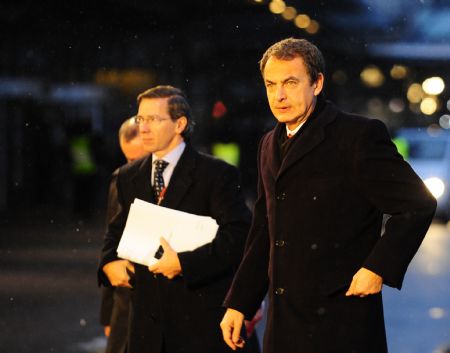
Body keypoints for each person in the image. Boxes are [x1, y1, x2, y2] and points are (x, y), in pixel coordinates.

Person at [220, 38, 437, 353]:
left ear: (317, 83)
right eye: (271, 84)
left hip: (341, 321)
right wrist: (240, 302)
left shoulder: (358, 136)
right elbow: (264, 231)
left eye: (291, 83)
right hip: (284, 325)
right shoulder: (268, 143)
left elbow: (417, 204)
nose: (279, 95)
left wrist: (376, 268)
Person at [98, 85, 252, 353]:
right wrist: (109, 262)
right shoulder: (127, 176)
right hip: (146, 327)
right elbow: (115, 231)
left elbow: (239, 237)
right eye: (140, 119)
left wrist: (184, 263)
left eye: (153, 119)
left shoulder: (216, 174)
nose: (142, 128)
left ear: (179, 124)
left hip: (198, 322)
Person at [100, 117, 148, 353]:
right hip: (126, 299)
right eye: (128, 159)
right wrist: (108, 312)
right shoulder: (121, 180)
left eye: (137, 159)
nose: (132, 166)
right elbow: (112, 245)